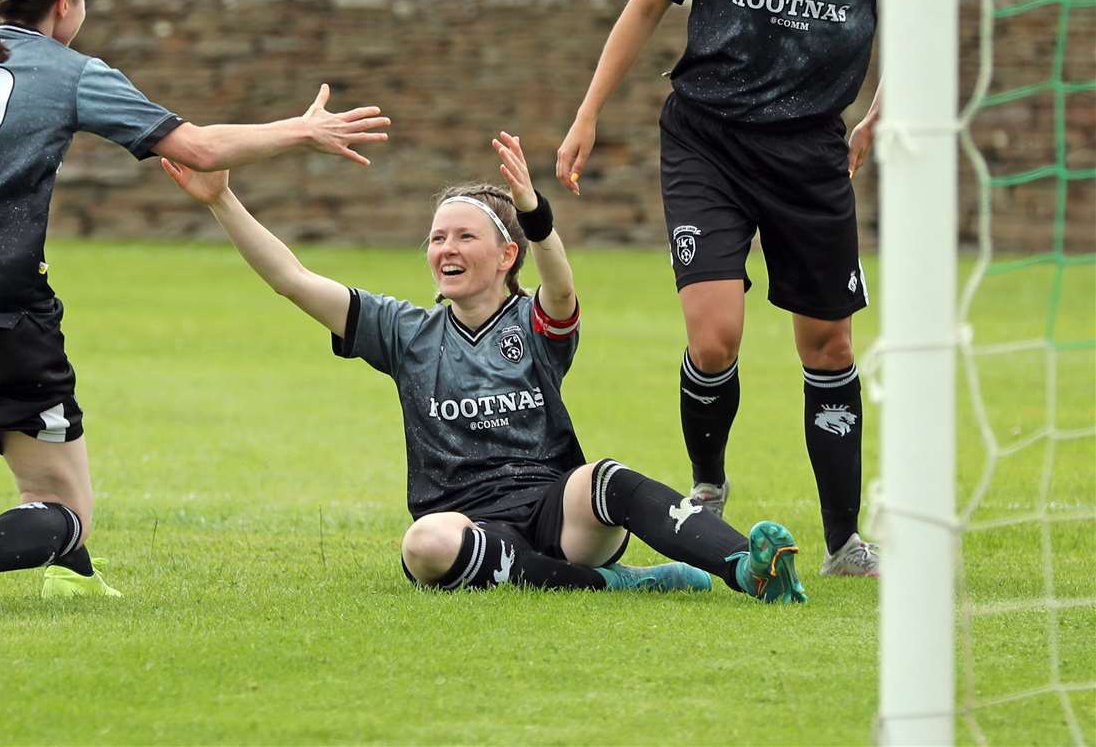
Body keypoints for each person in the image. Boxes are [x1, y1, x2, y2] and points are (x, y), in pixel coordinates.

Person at [0, 0, 391, 613]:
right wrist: (302, 130)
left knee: (52, 452)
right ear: (65, 3)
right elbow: (199, 149)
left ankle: (72, 577)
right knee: (64, 506)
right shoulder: (71, 73)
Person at [163, 132, 808, 603]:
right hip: (470, 524)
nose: (445, 247)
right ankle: (618, 586)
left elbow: (561, 289)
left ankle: (744, 565)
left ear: (505, 255)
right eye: (437, 237)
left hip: (561, 514)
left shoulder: (534, 323)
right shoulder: (405, 332)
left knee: (605, 477)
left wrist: (536, 215)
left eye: (463, 237)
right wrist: (221, 200)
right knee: (424, 547)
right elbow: (291, 278)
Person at [554, 0, 882, 577]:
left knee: (829, 347)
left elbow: (913, 29)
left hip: (809, 151)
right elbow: (644, 6)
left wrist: (880, 111)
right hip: (708, 139)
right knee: (713, 336)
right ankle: (706, 488)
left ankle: (845, 539)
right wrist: (588, 112)